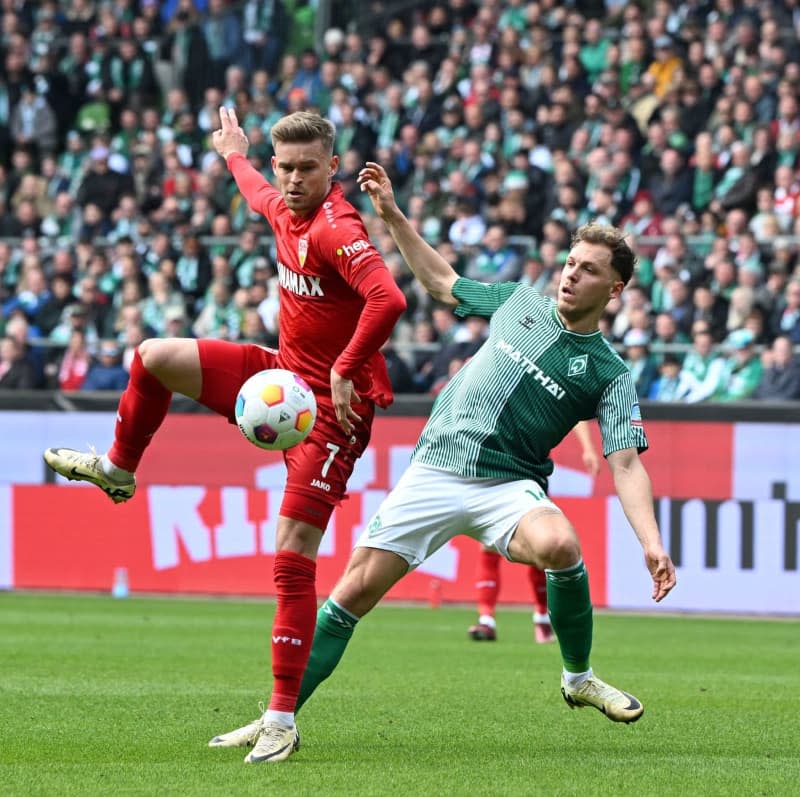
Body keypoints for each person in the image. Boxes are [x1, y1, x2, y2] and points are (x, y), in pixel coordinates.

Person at [42, 111, 407, 764]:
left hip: (334, 411)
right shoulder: (281, 203)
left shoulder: (336, 227)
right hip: (282, 377)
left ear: (332, 167)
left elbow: (389, 300)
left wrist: (348, 367)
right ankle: (121, 469)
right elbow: (254, 189)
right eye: (284, 167)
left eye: (307, 168)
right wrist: (234, 154)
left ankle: (279, 718)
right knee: (153, 354)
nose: (293, 180)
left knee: (291, 554)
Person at [286, 164, 677, 757]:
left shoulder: (608, 372)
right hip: (435, 469)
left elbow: (625, 465)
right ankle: (278, 717)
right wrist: (392, 215)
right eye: (571, 263)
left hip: (508, 486)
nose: (572, 275)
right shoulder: (519, 302)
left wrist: (650, 541)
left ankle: (578, 679)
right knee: (350, 594)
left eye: (590, 270)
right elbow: (444, 283)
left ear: (615, 290)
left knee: (563, 546)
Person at [468, 421, 601, 644]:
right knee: (487, 544)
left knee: (539, 546)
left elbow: (576, 413)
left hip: (531, 473)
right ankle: (486, 619)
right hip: (498, 469)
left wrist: (587, 448)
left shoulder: (543, 389)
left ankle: (542, 617)